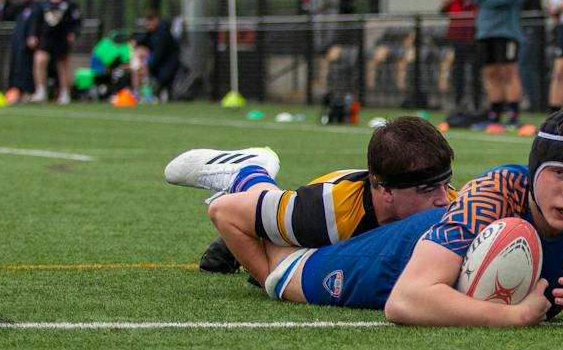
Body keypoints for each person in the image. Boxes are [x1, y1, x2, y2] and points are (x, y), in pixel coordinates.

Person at [218, 107, 563, 328]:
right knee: (278, 272)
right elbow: (406, 302)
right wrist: (509, 317)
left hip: (427, 249)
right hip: (391, 259)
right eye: (558, 174)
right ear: (534, 171)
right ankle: (246, 174)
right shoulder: (492, 194)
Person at [163, 116, 458, 278]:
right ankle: (247, 171)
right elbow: (223, 211)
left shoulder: (455, 206)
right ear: (387, 191)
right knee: (280, 266)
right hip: (317, 209)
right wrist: (268, 279)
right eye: (428, 190)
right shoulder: (325, 211)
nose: (444, 200)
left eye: (446, 185)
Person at [469, 0, 527, 126]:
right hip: (486, 31)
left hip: (507, 31)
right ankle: (494, 115)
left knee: (508, 72)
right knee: (491, 72)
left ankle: (513, 114)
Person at [31, 0, 81, 103]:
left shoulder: (70, 3)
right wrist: (33, 35)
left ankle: (65, 92)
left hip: (61, 38)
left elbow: (76, 21)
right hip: (47, 37)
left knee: (62, 65)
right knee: (39, 61)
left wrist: (73, 33)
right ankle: (40, 90)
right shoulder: (45, 2)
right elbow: (37, 21)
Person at [440, 0, 479, 108]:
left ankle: (476, 101)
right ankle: (458, 99)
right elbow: (443, 11)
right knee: (458, 70)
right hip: (458, 39)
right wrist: (445, 2)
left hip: (473, 39)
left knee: (475, 71)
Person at [132, 7, 181, 100]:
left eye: (151, 21)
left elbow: (159, 54)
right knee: (140, 54)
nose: (149, 24)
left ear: (156, 20)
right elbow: (142, 41)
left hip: (167, 66)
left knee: (142, 64)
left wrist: (148, 66)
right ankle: (138, 92)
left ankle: (146, 91)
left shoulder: (163, 34)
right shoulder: (152, 33)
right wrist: (136, 42)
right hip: (158, 64)